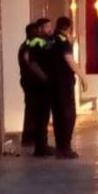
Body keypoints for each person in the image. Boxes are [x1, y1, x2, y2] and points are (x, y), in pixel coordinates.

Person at [49, 16, 86, 159]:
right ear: (68, 27)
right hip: (63, 82)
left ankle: (60, 147)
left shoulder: (50, 40)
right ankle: (65, 148)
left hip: (52, 82)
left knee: (57, 114)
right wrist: (82, 76)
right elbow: (69, 59)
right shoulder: (63, 41)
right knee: (68, 114)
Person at [20, 18, 55, 156]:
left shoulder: (24, 45)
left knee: (32, 111)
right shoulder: (37, 44)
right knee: (41, 114)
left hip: (28, 82)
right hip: (37, 84)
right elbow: (31, 63)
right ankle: (40, 144)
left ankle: (31, 139)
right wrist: (45, 78)